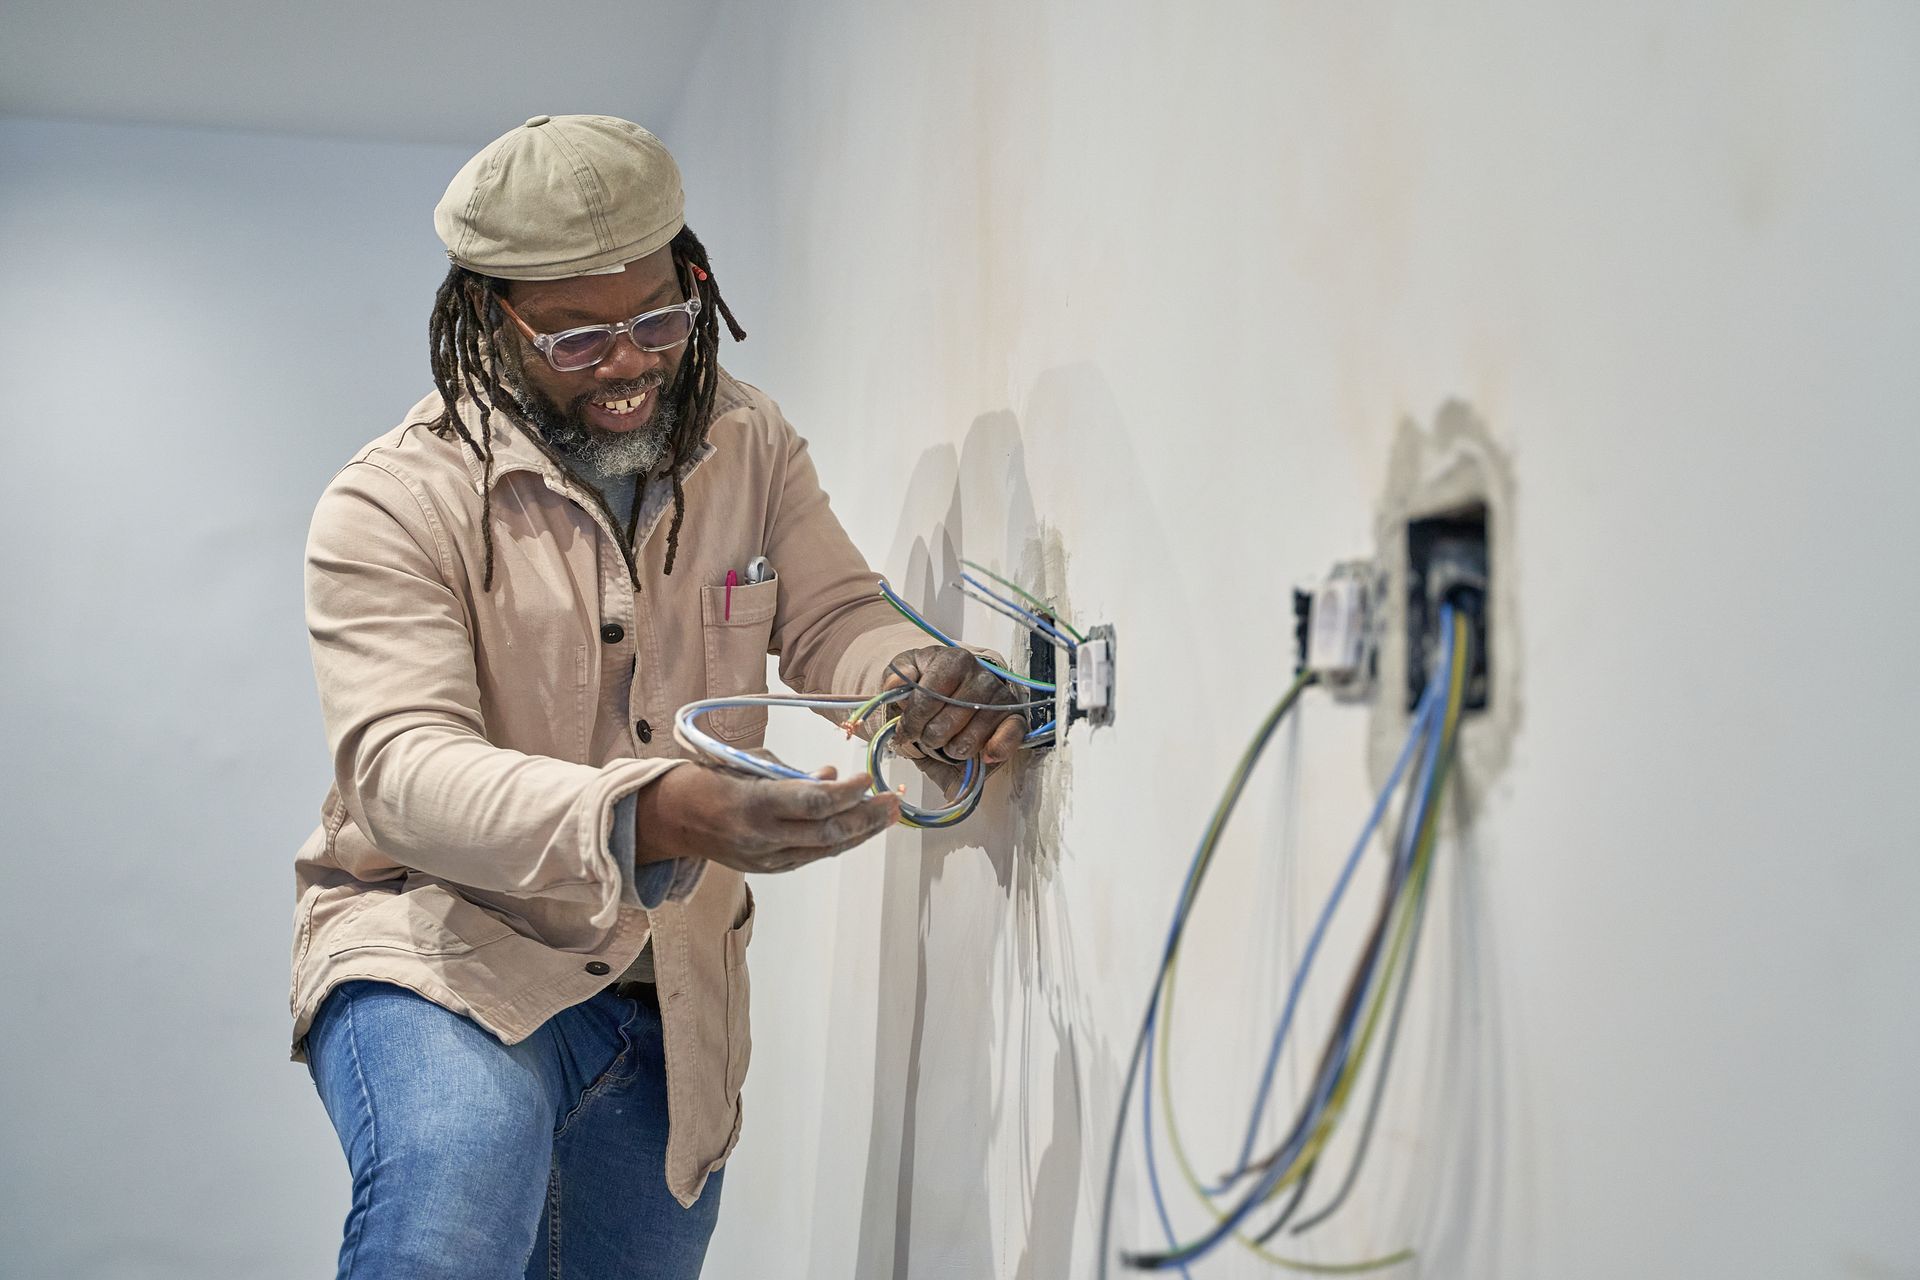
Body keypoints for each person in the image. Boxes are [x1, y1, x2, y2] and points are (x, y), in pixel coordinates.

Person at [289, 114, 1025, 1280]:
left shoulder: (750, 440)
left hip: (667, 994)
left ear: (696, 285)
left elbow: (834, 617)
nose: (628, 362)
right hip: (442, 951)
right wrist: (660, 810)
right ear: (489, 317)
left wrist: (911, 678)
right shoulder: (389, 501)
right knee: (455, 1199)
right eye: (574, 339)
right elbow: (401, 768)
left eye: (657, 321)